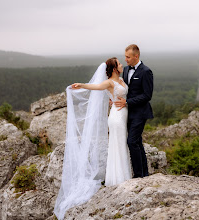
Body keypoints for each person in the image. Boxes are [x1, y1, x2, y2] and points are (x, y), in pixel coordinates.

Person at [54, 57, 132, 220]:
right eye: (119, 63)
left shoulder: (122, 80)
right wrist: (81, 85)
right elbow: (95, 87)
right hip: (116, 118)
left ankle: (123, 176)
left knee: (121, 145)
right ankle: (119, 179)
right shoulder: (110, 82)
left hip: (123, 114)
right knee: (117, 145)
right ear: (113, 68)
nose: (122, 65)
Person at [115, 44, 154, 178]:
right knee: (137, 142)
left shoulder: (146, 71)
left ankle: (138, 176)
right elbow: (125, 89)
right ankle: (144, 174)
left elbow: (147, 95)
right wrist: (116, 99)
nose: (125, 59)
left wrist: (127, 102)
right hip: (127, 113)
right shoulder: (126, 70)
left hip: (140, 112)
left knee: (131, 141)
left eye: (128, 57)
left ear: (136, 56)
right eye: (125, 56)